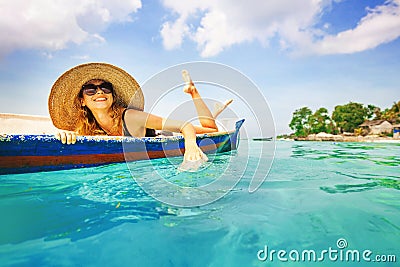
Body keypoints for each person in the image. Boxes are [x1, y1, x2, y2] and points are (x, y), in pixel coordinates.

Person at [48, 63, 232, 163]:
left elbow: (184, 126)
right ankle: (213, 111)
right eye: (90, 89)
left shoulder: (131, 117)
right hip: (153, 134)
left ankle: (193, 91)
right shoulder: (86, 125)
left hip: (166, 134)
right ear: (82, 100)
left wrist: (191, 145)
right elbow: (75, 137)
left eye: (105, 87)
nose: (99, 92)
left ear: (112, 95)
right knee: (210, 126)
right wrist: (66, 135)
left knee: (211, 129)